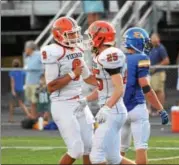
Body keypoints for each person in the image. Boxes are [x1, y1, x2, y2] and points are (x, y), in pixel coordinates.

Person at [74, 21, 135, 164]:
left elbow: (119, 88)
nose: (88, 40)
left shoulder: (109, 55)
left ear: (99, 37)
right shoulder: (102, 56)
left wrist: (107, 107)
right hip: (113, 109)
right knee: (114, 158)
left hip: (113, 110)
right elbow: (102, 87)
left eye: (91, 36)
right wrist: (86, 99)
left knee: (96, 157)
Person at [41, 16, 97, 165]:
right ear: (59, 35)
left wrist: (107, 82)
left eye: (75, 33)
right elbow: (51, 87)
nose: (75, 37)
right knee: (76, 149)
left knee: (90, 146)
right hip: (62, 103)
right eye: (71, 34)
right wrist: (72, 74)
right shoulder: (53, 52)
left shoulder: (77, 49)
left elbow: (87, 77)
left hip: (79, 101)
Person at [120, 27, 169, 164]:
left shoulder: (118, 58)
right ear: (138, 43)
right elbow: (146, 87)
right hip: (136, 107)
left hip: (121, 108)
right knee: (141, 148)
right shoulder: (142, 58)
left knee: (118, 153)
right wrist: (160, 109)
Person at [149, 33, 170, 115]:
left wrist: (156, 66)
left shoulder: (161, 48)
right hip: (151, 73)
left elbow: (166, 60)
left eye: (156, 40)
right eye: (153, 41)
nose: (155, 42)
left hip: (159, 73)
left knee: (159, 91)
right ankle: (153, 108)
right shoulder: (150, 47)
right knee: (151, 91)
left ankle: (160, 110)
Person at [24, 41, 43, 119]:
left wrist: (42, 79)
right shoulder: (28, 57)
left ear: (30, 48)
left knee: (35, 101)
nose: (25, 50)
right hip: (28, 82)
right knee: (31, 102)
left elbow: (44, 66)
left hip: (36, 83)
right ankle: (33, 117)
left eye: (26, 48)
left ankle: (35, 117)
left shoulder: (38, 55)